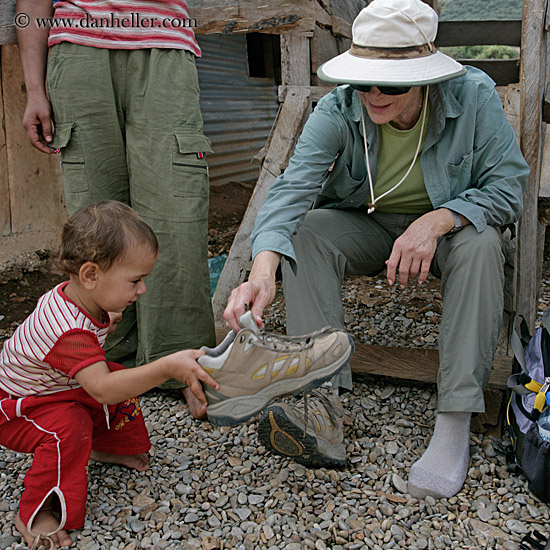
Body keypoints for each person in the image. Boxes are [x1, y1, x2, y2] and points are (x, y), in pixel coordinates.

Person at [224, 0, 529, 499]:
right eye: (364, 79)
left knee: (482, 242)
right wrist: (262, 272)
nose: (373, 94)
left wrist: (437, 220)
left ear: (426, 79)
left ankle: (454, 422)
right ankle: (320, 400)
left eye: (390, 83)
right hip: (368, 222)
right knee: (306, 233)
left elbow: (509, 188)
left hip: (447, 230)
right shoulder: (340, 107)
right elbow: (292, 190)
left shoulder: (473, 98)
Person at [16, 0, 214, 419]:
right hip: (77, 50)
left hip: (163, 42)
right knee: (95, 224)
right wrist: (34, 87)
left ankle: (183, 365)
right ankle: (101, 364)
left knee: (175, 215)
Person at [0, 201, 219, 548]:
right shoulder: (68, 332)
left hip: (53, 388)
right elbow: (102, 389)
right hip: (18, 408)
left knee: (116, 376)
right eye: (135, 280)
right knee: (69, 426)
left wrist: (109, 320)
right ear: (90, 275)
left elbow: (90, 354)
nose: (142, 290)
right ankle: (37, 507)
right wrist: (166, 367)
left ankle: (104, 446)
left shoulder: (83, 300)